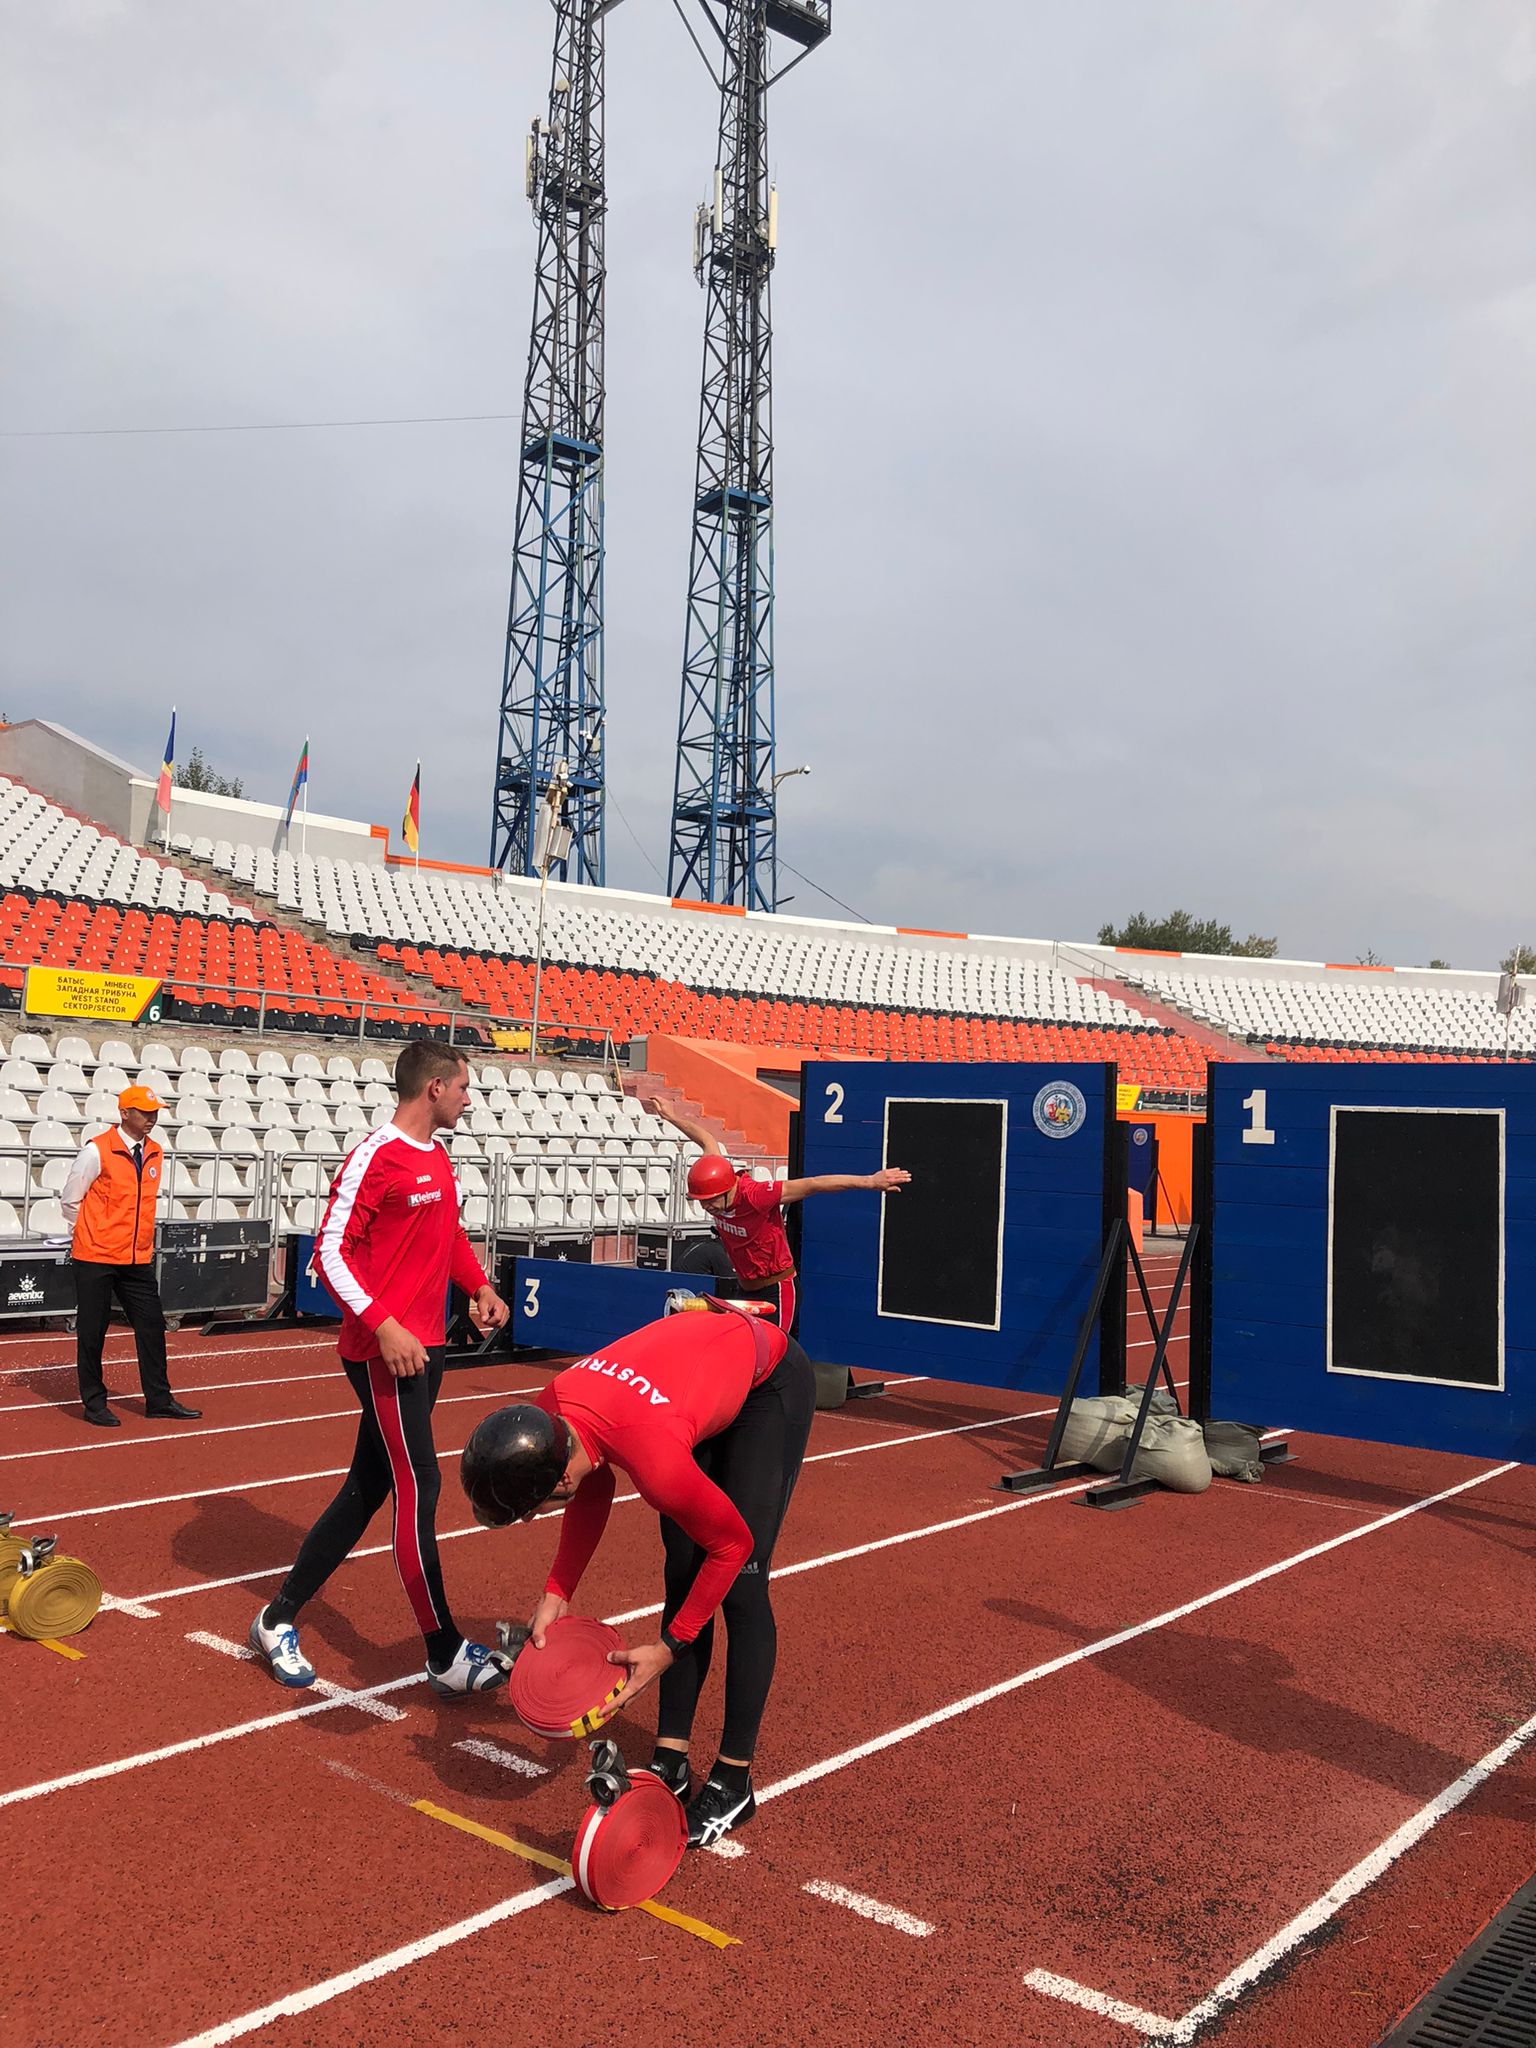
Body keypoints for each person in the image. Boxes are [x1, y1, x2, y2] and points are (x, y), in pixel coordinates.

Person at [463, 1300, 814, 1848]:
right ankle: (670, 1758)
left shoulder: (655, 1460)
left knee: (740, 1583)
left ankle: (734, 1778)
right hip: (688, 1383)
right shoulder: (551, 1415)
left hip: (766, 1383)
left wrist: (669, 1646)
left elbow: (732, 1543)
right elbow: (589, 1485)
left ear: (552, 1480)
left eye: (533, 1509)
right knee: (682, 1570)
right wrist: (557, 1593)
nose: (537, 1516)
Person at [248, 1039, 510, 1695]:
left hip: (429, 1347)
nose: (468, 1100)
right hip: (384, 1353)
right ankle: (443, 1652)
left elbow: (447, 1234)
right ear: (435, 1090)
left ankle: (277, 1617)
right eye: (463, 1089)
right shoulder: (374, 1156)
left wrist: (478, 1284)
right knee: (420, 1486)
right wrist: (384, 1325)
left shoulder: (438, 1157)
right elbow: (327, 1255)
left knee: (367, 1490)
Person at [641, 1094, 910, 1333]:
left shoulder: (756, 1195)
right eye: (701, 1202)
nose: (706, 1207)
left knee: (775, 1351)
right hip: (744, 1287)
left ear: (726, 1189)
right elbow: (707, 1139)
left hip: (777, 1290)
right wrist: (672, 1116)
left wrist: (870, 1181)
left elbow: (812, 1184)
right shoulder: (715, 1175)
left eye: (710, 1201)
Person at [61, 1083, 201, 1429]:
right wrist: (83, 1236)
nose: (151, 1118)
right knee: (93, 1331)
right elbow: (70, 1198)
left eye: (154, 1112)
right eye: (144, 1112)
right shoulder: (97, 1150)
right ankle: (94, 1403)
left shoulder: (154, 1151)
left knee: (152, 1326)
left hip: (136, 1257)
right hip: (95, 1255)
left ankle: (159, 1400)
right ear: (125, 1113)